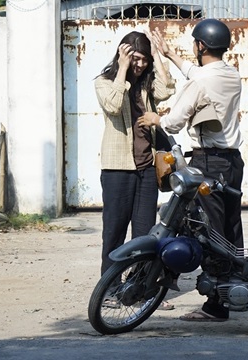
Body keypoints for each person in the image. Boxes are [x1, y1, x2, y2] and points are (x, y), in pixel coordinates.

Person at [137, 19, 244, 321]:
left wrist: (153, 118)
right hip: (233, 162)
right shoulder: (231, 74)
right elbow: (197, 72)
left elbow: (174, 121)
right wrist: (170, 54)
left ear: (200, 46)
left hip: (208, 162)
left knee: (209, 231)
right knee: (231, 229)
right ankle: (234, 290)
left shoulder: (199, 83)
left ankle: (216, 305)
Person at [94, 30, 176, 309]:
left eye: (143, 60)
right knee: (114, 232)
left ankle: (143, 288)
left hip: (145, 169)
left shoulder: (145, 85)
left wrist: (158, 56)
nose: (140, 65)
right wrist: (123, 69)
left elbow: (167, 89)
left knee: (144, 234)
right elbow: (114, 106)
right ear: (123, 54)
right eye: (136, 59)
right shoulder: (105, 83)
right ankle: (110, 288)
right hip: (117, 169)